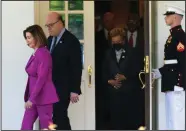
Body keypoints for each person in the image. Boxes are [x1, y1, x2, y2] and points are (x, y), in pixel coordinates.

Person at [45, 12, 82, 130]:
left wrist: (74, 90)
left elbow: (76, 66)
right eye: (47, 26)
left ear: (60, 23)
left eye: (51, 25)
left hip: (63, 88)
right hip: (51, 87)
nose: (49, 28)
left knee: (60, 117)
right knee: (56, 117)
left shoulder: (71, 41)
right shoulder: (49, 40)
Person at [102, 27, 144, 130]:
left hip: (129, 92)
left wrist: (125, 76)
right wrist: (109, 81)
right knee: (115, 121)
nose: (116, 44)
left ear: (123, 40)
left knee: (129, 121)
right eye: (113, 42)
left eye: (118, 41)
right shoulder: (108, 53)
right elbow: (104, 71)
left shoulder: (133, 52)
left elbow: (139, 69)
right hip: (113, 93)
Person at [152, 5, 186, 130]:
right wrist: (159, 72)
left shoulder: (180, 37)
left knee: (177, 121)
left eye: (168, 15)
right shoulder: (173, 36)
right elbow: (171, 63)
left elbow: (182, 62)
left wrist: (179, 83)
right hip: (170, 82)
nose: (166, 17)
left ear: (176, 17)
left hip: (176, 84)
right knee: (171, 119)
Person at [21, 25, 59, 130]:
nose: (27, 41)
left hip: (44, 97)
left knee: (46, 128)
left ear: (36, 37)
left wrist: (31, 99)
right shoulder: (36, 53)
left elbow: (41, 78)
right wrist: (31, 97)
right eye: (26, 38)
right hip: (33, 97)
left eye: (29, 38)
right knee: (25, 126)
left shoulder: (43, 54)